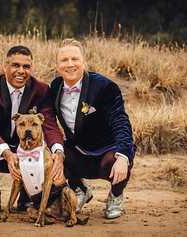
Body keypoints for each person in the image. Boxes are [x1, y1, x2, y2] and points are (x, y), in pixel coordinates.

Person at [0, 45, 65, 215]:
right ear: (5, 67)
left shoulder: (41, 90)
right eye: (15, 65)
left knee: (55, 147)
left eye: (26, 67)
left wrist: (58, 152)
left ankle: (28, 197)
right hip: (1, 151)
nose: (21, 71)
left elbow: (49, 124)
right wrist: (7, 154)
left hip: (31, 151)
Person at [50, 39, 135, 219]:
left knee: (116, 160)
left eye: (75, 59)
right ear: (57, 66)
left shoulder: (104, 86)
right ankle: (80, 190)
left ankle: (116, 195)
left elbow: (121, 120)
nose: (70, 64)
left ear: (84, 62)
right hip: (79, 150)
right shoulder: (55, 87)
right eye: (64, 60)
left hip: (106, 151)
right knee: (56, 152)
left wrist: (123, 155)